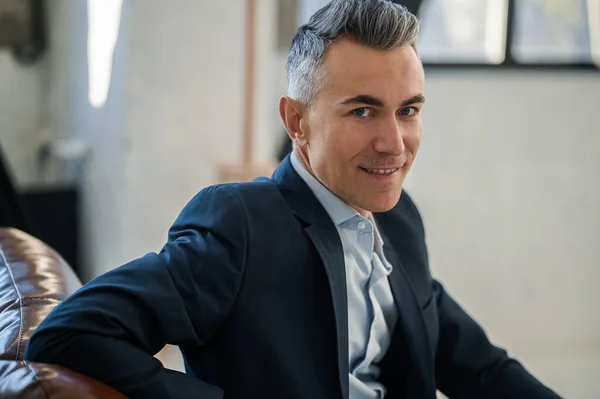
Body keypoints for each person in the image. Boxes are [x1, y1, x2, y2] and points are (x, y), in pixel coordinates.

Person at [25, 1, 561, 398]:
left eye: (408, 111)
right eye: (363, 111)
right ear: (297, 121)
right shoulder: (240, 224)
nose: (394, 144)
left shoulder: (398, 222)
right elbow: (70, 333)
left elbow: (480, 366)